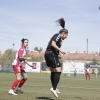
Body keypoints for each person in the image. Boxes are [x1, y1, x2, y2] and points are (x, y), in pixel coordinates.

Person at [44, 18, 68, 98]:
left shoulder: (60, 39)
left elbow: (55, 47)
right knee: (58, 70)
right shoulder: (58, 35)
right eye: (66, 35)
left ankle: (54, 87)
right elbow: (53, 44)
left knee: (53, 71)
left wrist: (59, 54)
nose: (66, 37)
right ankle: (54, 88)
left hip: (49, 54)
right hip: (51, 54)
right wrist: (61, 50)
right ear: (63, 33)